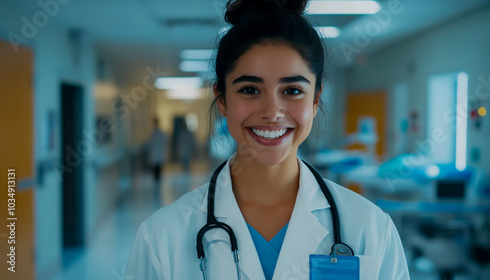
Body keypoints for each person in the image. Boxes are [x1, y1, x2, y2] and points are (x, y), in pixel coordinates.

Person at [126, 0, 410, 279]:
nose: (272, 112)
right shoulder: (161, 237)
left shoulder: (370, 228)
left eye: (292, 90)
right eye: (250, 89)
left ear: (315, 100)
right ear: (222, 99)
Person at [147, 117, 168, 190]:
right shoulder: (153, 133)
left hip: (158, 154)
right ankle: (156, 184)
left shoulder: (160, 133)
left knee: (158, 169)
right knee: (156, 169)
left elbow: (164, 143)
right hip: (156, 155)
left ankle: (157, 184)